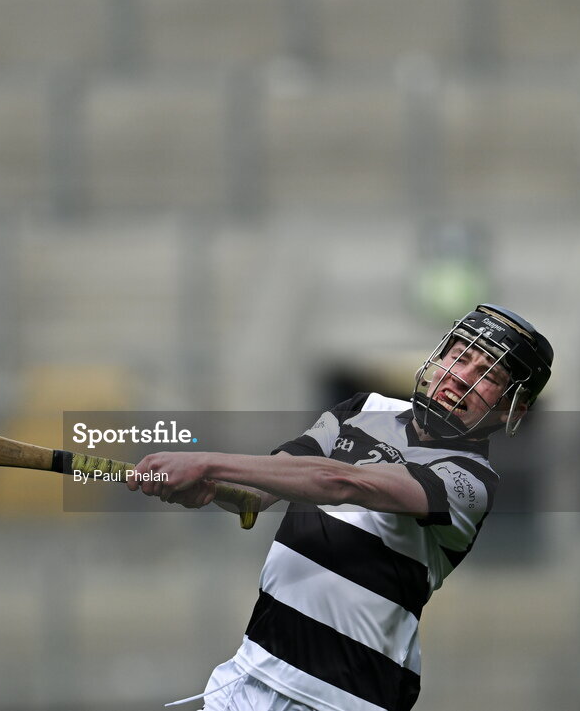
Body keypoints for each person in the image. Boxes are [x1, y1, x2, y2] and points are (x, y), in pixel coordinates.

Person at [126, 304, 553, 711]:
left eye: (488, 376)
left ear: (513, 409)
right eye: (460, 357)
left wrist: (204, 461)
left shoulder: (471, 480)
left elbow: (342, 482)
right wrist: (212, 487)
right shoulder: (363, 409)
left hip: (345, 697)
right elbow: (263, 488)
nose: (463, 378)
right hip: (250, 676)